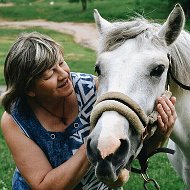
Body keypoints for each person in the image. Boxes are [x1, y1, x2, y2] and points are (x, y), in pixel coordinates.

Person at [0, 32, 177, 190]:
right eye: (49, 74)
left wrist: (160, 135)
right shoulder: (15, 119)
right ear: (29, 89)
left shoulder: (97, 92)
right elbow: (44, 185)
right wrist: (95, 142)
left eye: (61, 62)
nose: (63, 74)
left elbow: (128, 155)